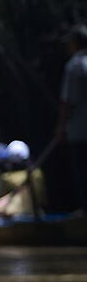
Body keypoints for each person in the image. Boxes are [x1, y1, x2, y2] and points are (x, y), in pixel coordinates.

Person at [57, 27, 87, 213]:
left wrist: (60, 127)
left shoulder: (75, 65)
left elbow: (68, 101)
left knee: (83, 171)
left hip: (80, 130)